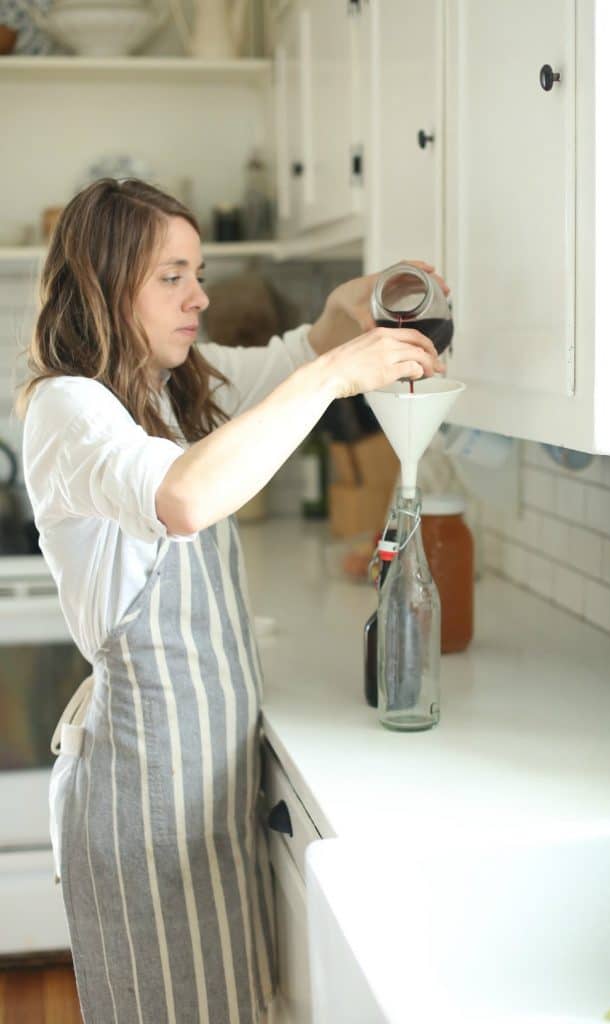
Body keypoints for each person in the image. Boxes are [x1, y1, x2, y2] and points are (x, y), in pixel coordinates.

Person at [17, 178, 446, 1024]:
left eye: (199, 271)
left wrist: (341, 316)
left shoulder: (171, 391)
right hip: (142, 808)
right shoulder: (70, 407)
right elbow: (182, 497)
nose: (201, 296)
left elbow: (288, 361)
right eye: (172, 276)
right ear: (107, 284)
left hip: (201, 789)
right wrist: (336, 372)